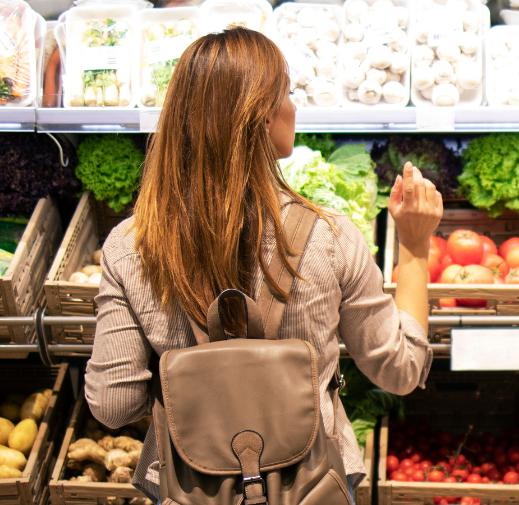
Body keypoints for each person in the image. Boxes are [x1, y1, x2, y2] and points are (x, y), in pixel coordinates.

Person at [84, 28, 442, 497]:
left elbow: (114, 405)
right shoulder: (330, 238)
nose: (293, 107)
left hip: (188, 486)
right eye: (287, 93)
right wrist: (414, 250)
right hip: (313, 484)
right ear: (260, 118)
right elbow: (401, 370)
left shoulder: (129, 246)